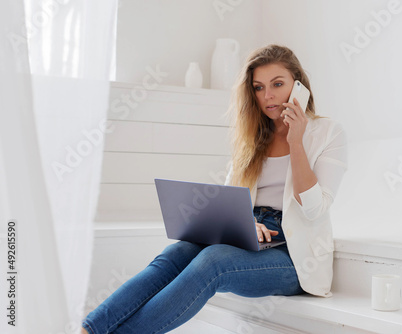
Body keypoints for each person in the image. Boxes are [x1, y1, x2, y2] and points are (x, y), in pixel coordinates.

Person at [81, 44, 347, 334]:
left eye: (277, 84)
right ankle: (88, 330)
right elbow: (229, 202)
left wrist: (297, 141)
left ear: (299, 86)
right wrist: (247, 222)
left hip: (293, 258)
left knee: (213, 261)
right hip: (250, 235)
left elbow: (313, 208)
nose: (268, 96)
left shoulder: (328, 133)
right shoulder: (254, 138)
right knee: (176, 253)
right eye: (258, 88)